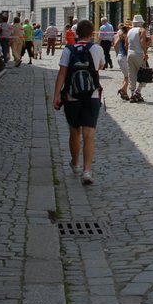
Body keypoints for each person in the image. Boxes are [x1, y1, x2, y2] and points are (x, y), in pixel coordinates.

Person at [52, 19, 105, 185]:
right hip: (92, 95)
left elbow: (62, 73)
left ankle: (75, 164)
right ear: (91, 33)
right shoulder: (97, 48)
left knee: (74, 131)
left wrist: (56, 96)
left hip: (71, 96)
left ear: (76, 33)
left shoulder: (68, 49)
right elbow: (101, 66)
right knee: (89, 134)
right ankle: (87, 171)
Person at [126, 15, 148, 102]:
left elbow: (126, 43)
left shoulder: (129, 31)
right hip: (138, 53)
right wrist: (145, 52)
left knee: (132, 74)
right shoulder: (141, 30)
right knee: (145, 73)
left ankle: (132, 93)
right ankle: (137, 92)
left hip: (130, 53)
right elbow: (143, 41)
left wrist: (129, 51)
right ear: (141, 23)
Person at [114, 22, 132, 101]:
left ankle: (125, 93)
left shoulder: (120, 36)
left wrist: (117, 53)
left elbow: (115, 45)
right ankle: (122, 89)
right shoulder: (127, 36)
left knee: (125, 76)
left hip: (119, 56)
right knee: (128, 77)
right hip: (125, 57)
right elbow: (126, 47)